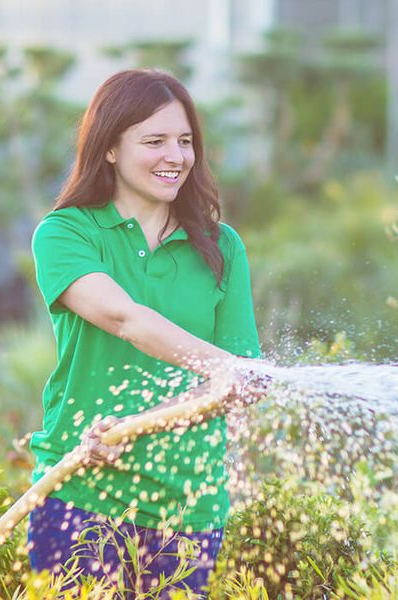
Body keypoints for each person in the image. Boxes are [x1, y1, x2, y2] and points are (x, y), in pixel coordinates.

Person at [26, 68, 264, 597]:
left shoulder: (221, 247)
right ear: (109, 148)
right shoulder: (66, 234)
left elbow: (233, 383)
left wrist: (134, 425)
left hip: (188, 508)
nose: (174, 156)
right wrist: (226, 367)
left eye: (184, 141)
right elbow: (123, 318)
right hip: (82, 491)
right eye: (153, 141)